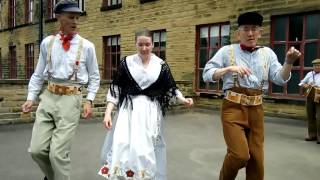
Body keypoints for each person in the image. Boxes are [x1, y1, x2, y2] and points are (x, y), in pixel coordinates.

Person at [203, 11, 301, 180]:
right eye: (246, 29)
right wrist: (228, 69)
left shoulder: (268, 53)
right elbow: (207, 74)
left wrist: (289, 62)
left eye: (254, 29)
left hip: (256, 109)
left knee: (257, 160)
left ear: (260, 32)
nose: (250, 33)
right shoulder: (227, 51)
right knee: (240, 155)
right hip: (233, 108)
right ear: (238, 33)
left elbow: (280, 79)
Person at [98, 28, 193, 180]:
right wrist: (108, 112)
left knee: (146, 150)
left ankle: (145, 177)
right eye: (140, 44)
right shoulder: (126, 63)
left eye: (147, 44)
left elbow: (170, 88)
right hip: (128, 112)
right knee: (124, 146)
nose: (144, 48)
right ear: (135, 44)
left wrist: (183, 99)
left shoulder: (160, 65)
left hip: (150, 113)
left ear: (153, 44)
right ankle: (125, 176)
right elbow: (116, 89)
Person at [21, 1, 100, 180]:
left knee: (57, 154)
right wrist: (31, 98)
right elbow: (38, 73)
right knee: (37, 150)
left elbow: (95, 77)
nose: (75, 22)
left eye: (77, 18)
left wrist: (89, 100)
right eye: (71, 17)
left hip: (71, 100)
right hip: (48, 97)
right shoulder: (47, 43)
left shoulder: (87, 46)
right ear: (59, 18)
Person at [299, 59, 320, 144]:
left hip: (319, 97)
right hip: (310, 97)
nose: (317, 67)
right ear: (313, 66)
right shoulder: (309, 74)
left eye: (318, 65)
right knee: (310, 116)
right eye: (315, 65)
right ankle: (312, 135)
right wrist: (306, 85)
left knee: (319, 118)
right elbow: (301, 83)